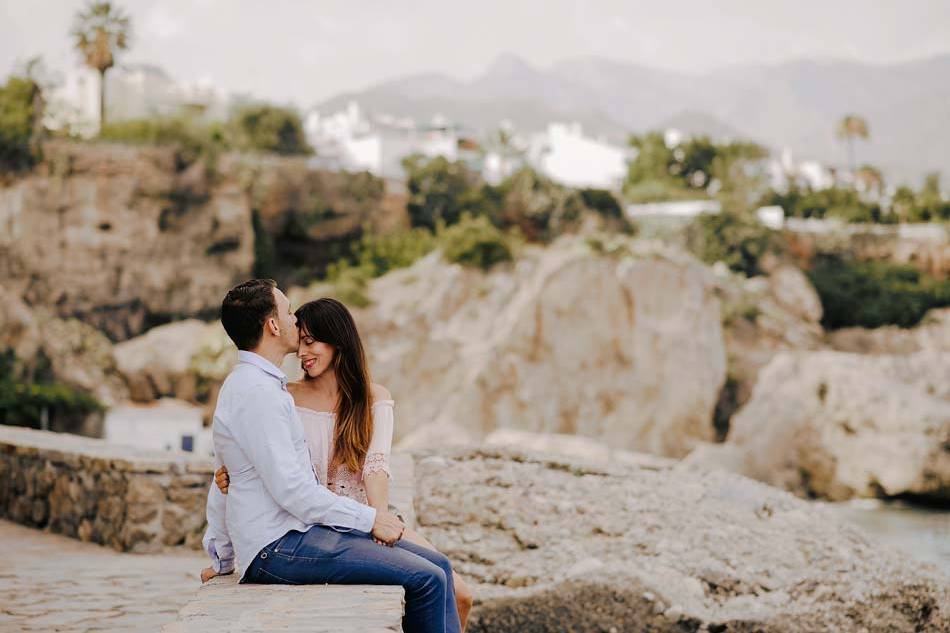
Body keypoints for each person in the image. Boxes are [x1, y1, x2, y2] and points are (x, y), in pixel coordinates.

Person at [200, 279, 461, 633]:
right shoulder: (258, 393)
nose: (295, 320)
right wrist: (371, 520)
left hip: (298, 533)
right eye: (289, 312)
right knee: (427, 579)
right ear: (273, 326)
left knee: (440, 569)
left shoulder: (262, 387)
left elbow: (226, 479)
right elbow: (291, 491)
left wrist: (222, 556)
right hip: (276, 547)